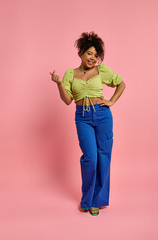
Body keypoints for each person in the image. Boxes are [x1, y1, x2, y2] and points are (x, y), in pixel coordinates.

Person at [50, 31, 126, 216]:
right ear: (81, 53)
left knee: (104, 157)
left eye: (95, 54)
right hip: (82, 117)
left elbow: (121, 83)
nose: (93, 58)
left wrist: (111, 101)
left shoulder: (101, 70)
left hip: (102, 116)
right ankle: (87, 200)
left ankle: (97, 202)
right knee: (90, 158)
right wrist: (59, 83)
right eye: (89, 53)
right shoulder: (70, 73)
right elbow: (68, 100)